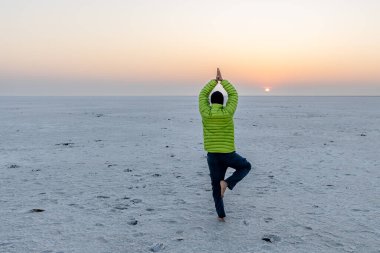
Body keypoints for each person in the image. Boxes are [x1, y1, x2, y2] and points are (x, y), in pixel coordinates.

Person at [199, 68, 252, 222]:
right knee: (245, 166)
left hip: (212, 155)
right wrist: (222, 81)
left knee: (216, 186)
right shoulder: (227, 112)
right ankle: (228, 182)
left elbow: (202, 95)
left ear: (210, 102)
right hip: (228, 153)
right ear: (223, 102)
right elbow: (234, 94)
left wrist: (213, 82)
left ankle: (221, 216)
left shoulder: (205, 112)